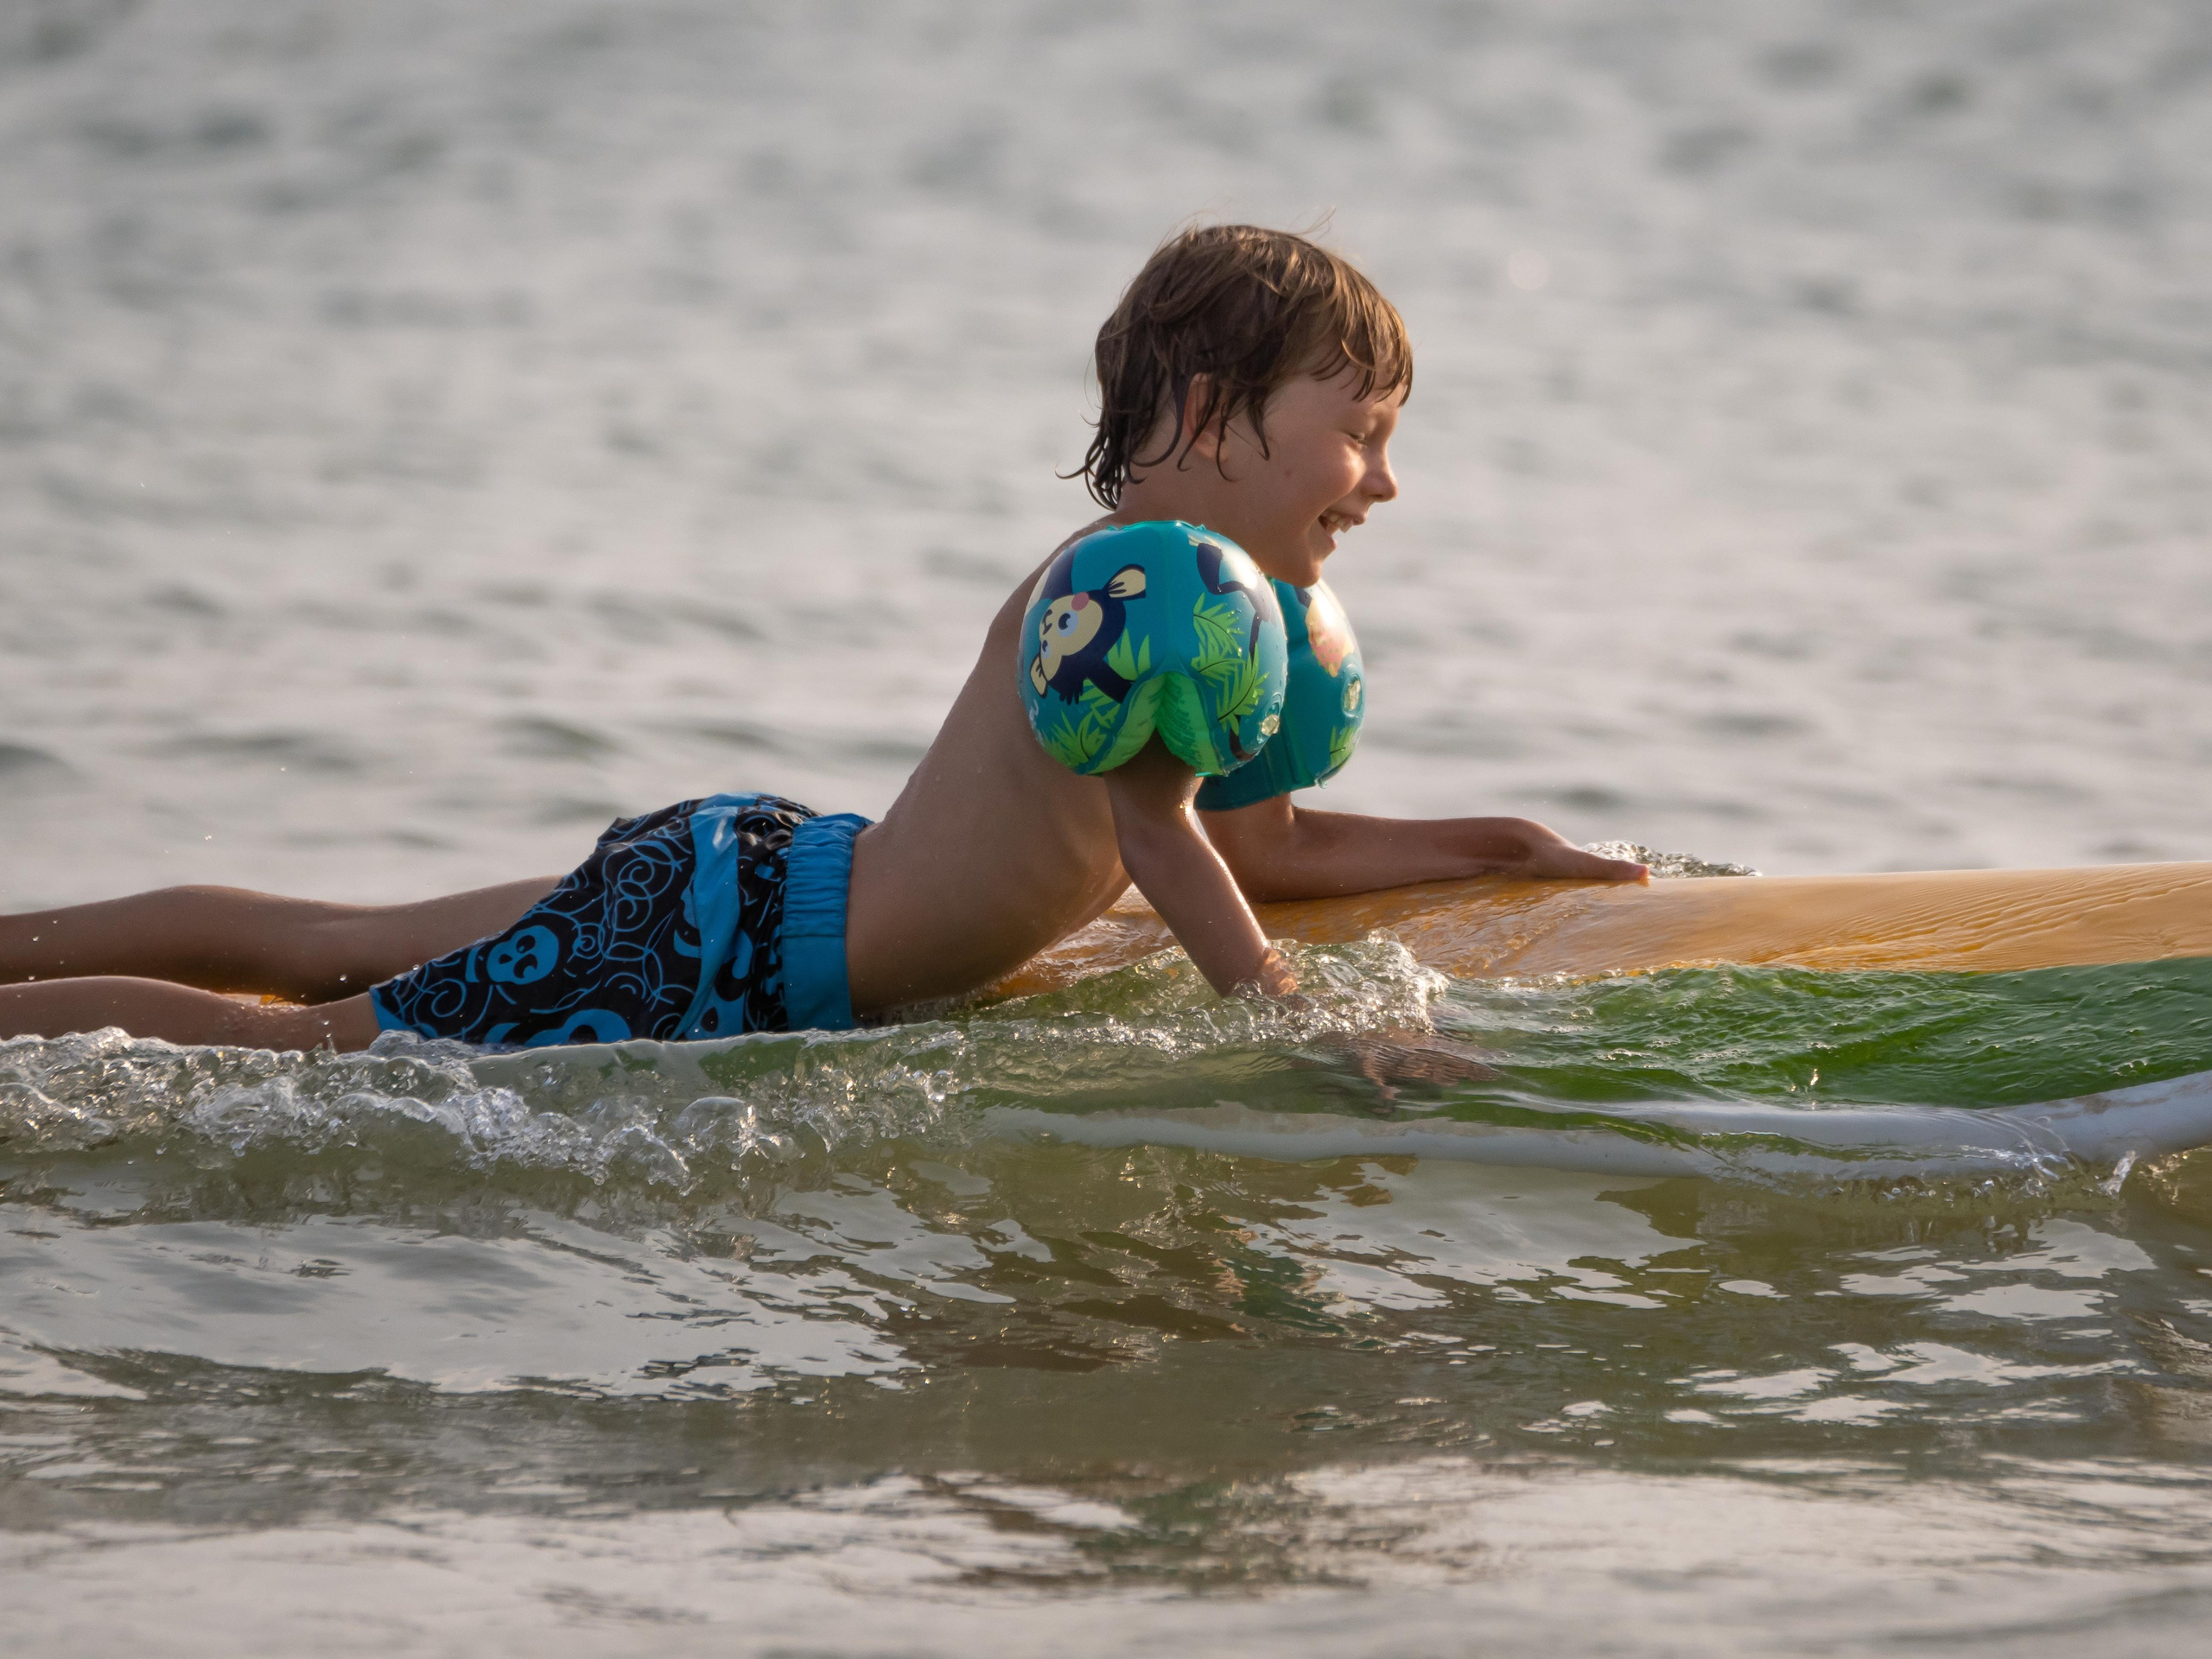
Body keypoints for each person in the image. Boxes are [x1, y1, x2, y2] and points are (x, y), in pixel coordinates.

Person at [0, 226, 1645, 1053]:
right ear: (1218, 413)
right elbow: (1161, 839)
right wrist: (1296, 1026)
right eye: (1360, 429)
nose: (1387, 478)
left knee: (325, 941)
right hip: (730, 942)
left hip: (755, 885)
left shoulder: (1188, 600)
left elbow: (1250, 842)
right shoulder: (1160, 581)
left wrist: (1501, 843)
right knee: (304, 1041)